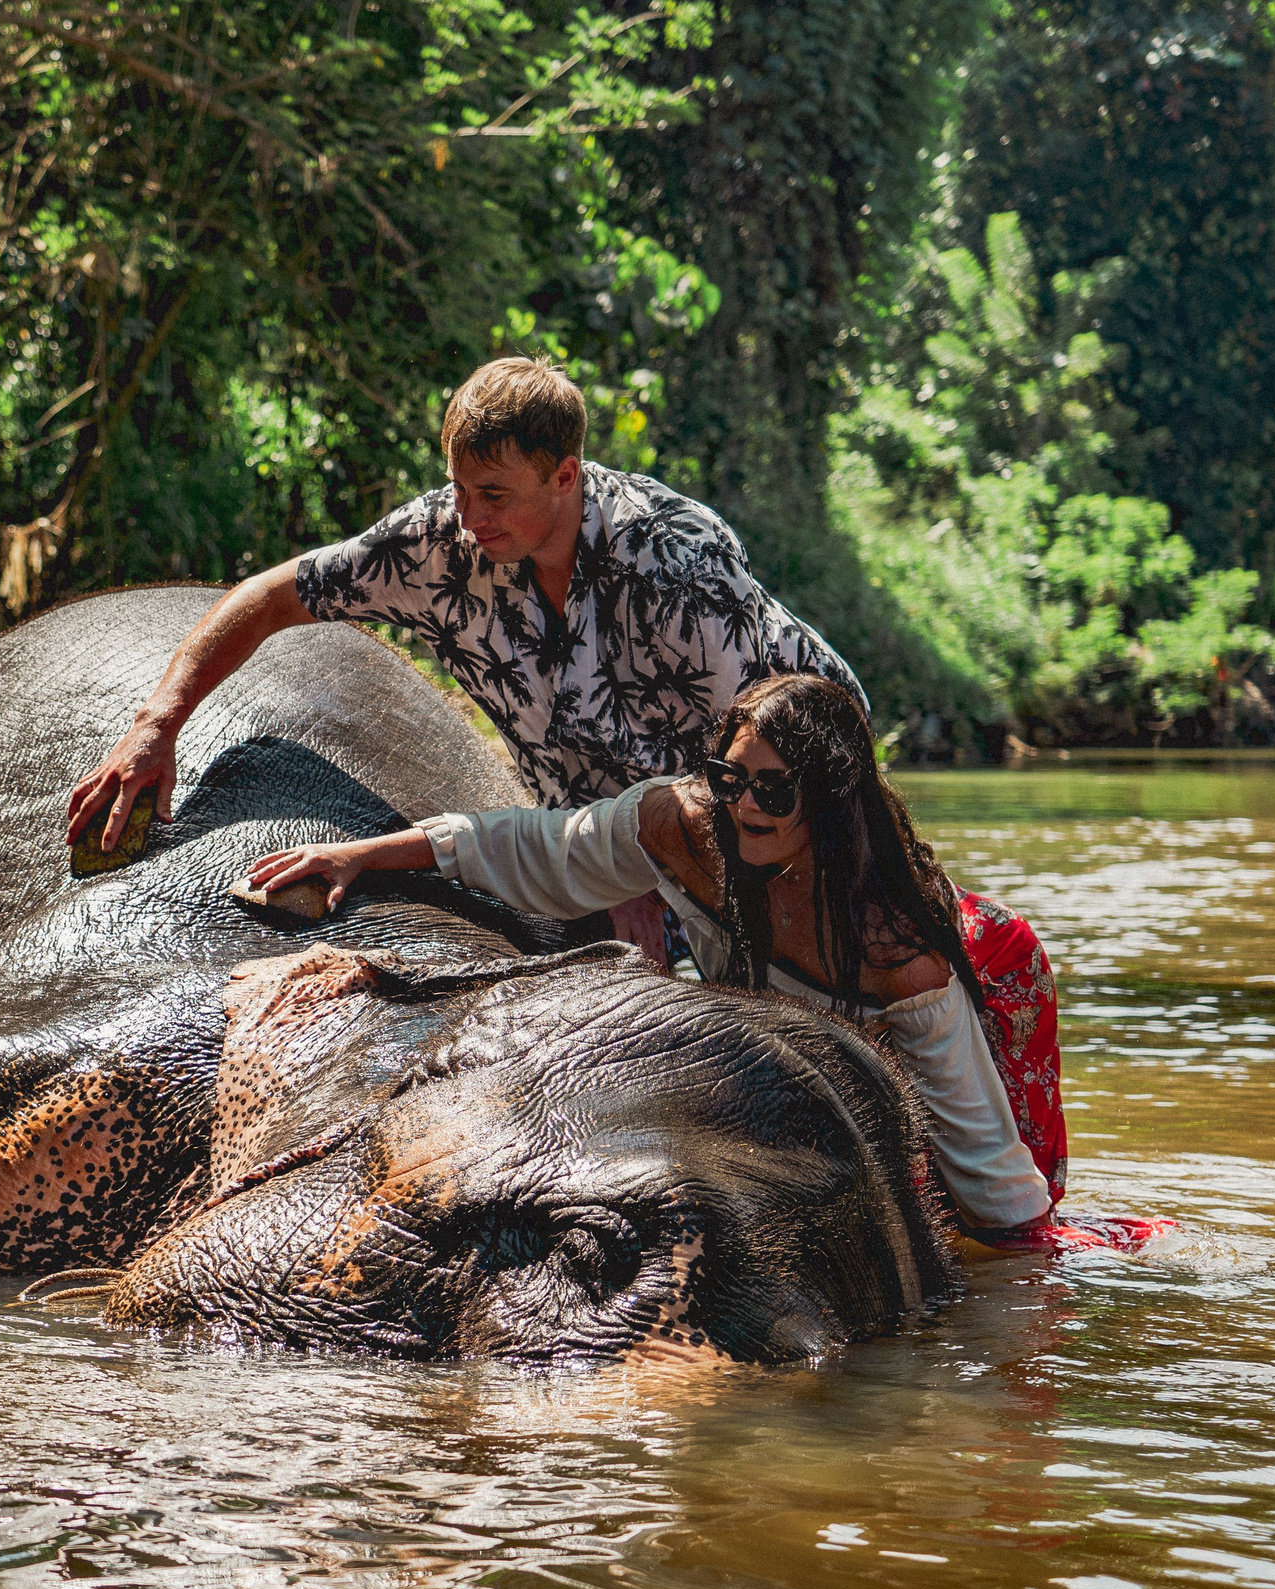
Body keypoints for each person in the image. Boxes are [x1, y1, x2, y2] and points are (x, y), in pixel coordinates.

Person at [65, 356, 862, 954]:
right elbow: (272, 597)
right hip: (594, 829)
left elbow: (756, 768)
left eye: (493, 495)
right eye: (458, 488)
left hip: (792, 799)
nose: (469, 516)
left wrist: (646, 865)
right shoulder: (440, 543)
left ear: (565, 475)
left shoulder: (673, 560)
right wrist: (157, 721)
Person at [239, 673, 1069, 1237]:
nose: (744, 805)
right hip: (801, 1033)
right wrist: (365, 856)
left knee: (983, 1216)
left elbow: (988, 1168)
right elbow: (538, 849)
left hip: (988, 968)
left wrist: (1028, 1293)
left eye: (774, 791)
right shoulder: (688, 827)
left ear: (831, 801)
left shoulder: (897, 951)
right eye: (730, 776)